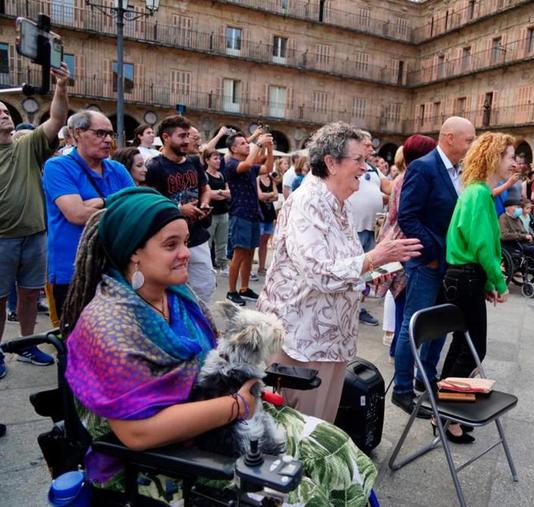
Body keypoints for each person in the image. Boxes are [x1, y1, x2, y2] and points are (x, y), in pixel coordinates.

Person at [61, 187, 377, 505]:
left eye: (185, 242)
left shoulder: (178, 297)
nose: (186, 252)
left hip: (218, 424)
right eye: (171, 245)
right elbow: (136, 434)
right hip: (159, 459)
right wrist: (238, 405)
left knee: (336, 447)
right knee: (307, 496)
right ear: (133, 251)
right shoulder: (109, 325)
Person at [256, 122, 422, 423]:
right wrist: (374, 257)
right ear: (331, 163)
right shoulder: (308, 203)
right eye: (358, 160)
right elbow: (320, 273)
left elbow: (347, 269)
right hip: (302, 339)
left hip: (329, 338)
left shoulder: (336, 203)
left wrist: (384, 266)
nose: (365, 167)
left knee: (320, 423)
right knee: (300, 430)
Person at [392, 116, 476, 417]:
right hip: (428, 263)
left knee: (439, 325)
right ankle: (401, 390)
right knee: (412, 327)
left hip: (447, 264)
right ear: (450, 138)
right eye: (469, 140)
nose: (471, 145)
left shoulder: (458, 171)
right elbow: (408, 216)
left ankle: (424, 379)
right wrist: (431, 253)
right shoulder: (423, 167)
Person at [441, 132, 511, 442]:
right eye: (510, 156)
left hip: (463, 276)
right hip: (466, 276)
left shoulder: (474, 191)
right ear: (495, 158)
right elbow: (483, 245)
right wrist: (498, 281)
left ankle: (446, 414)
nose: (514, 162)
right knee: (471, 349)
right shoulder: (480, 193)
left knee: (462, 346)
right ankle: (449, 416)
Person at [0, 64, 69, 376]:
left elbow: (56, 120)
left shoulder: (25, 145)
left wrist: (61, 87)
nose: (3, 113)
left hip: (35, 236)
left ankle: (26, 343)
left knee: (30, 293)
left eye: (4, 110)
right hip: (2, 239)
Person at [44, 111, 134, 319]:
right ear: (78, 134)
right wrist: (117, 206)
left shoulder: (117, 169)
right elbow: (76, 215)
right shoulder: (57, 167)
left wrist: (102, 202)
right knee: (74, 341)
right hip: (73, 272)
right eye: (100, 133)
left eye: (111, 134)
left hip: (115, 269)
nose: (109, 140)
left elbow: (136, 208)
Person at [376, 136, 437, 360]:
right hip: (404, 246)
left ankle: (398, 352)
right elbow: (404, 216)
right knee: (405, 304)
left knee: (403, 302)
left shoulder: (405, 177)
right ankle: (400, 355)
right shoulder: (412, 178)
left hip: (399, 242)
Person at [145, 115, 215, 303]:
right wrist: (179, 209)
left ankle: (201, 328)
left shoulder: (193, 162)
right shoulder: (154, 167)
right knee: (172, 293)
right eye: (182, 136)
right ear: (166, 138)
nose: (186, 141)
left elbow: (204, 188)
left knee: (204, 288)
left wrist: (205, 202)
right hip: (169, 241)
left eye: (187, 136)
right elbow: (151, 201)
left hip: (198, 236)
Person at [224, 129, 273, 305]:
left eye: (247, 143)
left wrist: (269, 149)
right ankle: (231, 291)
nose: (247, 145)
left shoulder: (250, 166)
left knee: (249, 253)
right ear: (233, 149)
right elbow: (245, 165)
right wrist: (258, 144)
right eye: (243, 143)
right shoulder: (230, 164)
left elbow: (268, 168)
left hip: (253, 213)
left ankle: (244, 288)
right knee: (238, 254)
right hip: (240, 214)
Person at [348, 130, 391, 327]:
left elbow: (387, 187)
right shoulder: (349, 164)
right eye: (367, 145)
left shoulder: (373, 169)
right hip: (353, 227)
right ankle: (350, 306)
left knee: (366, 270)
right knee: (353, 269)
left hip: (371, 227)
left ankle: (358, 307)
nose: (371, 148)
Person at [202, 148, 231, 274]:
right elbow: (208, 193)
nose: (218, 161)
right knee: (208, 241)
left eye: (219, 158)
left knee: (222, 241)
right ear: (207, 160)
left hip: (223, 212)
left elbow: (229, 193)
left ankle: (222, 265)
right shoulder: (205, 175)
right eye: (215, 158)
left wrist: (219, 192)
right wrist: (221, 193)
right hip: (211, 213)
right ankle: (207, 266)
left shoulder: (221, 175)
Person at [257, 163, 278, 276]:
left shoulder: (271, 179)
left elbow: (276, 196)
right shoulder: (257, 179)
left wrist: (268, 196)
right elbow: (259, 196)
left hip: (269, 213)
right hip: (260, 213)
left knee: (264, 241)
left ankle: (262, 267)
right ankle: (254, 266)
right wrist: (270, 195)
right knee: (259, 241)